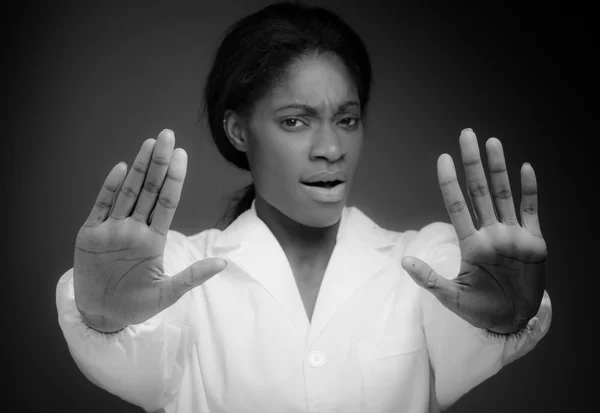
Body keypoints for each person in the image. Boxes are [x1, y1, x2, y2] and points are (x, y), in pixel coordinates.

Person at [56, 2, 552, 412]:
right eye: (296, 121)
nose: (331, 148)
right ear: (238, 129)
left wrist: (504, 318)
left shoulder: (426, 265)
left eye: (347, 119)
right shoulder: (179, 276)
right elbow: (130, 353)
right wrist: (102, 318)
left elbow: (471, 330)